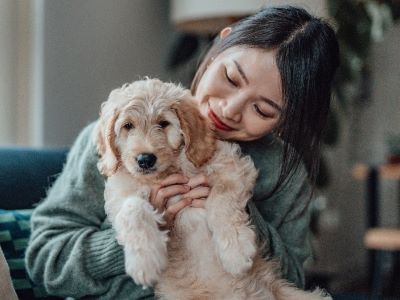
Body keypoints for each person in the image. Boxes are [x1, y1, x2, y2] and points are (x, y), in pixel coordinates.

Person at [25, 6, 339, 299]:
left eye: (261, 109)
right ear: (221, 43)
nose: (229, 109)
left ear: (286, 117)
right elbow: (46, 260)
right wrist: (142, 232)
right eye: (230, 78)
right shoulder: (118, 142)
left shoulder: (285, 169)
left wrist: (238, 212)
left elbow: (292, 280)